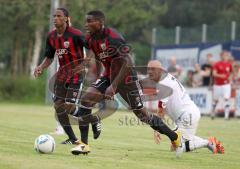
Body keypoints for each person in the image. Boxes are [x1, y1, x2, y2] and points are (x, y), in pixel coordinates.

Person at [70, 10, 182, 155]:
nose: (86, 24)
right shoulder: (91, 39)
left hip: (127, 78)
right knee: (86, 100)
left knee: (142, 115)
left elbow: (128, 61)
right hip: (109, 76)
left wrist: (114, 86)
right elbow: (97, 58)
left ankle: (175, 136)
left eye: (90, 21)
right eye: (86, 21)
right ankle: (84, 144)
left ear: (100, 23)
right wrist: (97, 77)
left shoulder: (113, 37)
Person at [34, 8, 101, 144]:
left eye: (59, 16)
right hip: (62, 75)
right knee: (58, 108)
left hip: (76, 75)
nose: (55, 18)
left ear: (66, 19)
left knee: (68, 107)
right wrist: (40, 67)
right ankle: (72, 138)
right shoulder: (51, 37)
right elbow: (49, 57)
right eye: (54, 16)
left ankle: (93, 120)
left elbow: (92, 47)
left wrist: (84, 64)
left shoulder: (75, 34)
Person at [147, 60, 224, 157]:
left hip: (187, 115)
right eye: (148, 69)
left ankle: (208, 143)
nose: (149, 72)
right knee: (175, 144)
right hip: (184, 115)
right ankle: (208, 143)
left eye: (153, 69)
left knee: (178, 147)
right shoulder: (164, 79)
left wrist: (156, 129)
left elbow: (161, 110)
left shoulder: (164, 84)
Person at [211, 51, 233, 120]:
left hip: (226, 85)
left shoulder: (229, 64)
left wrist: (230, 78)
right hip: (217, 85)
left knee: (226, 99)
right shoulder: (217, 64)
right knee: (215, 100)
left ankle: (226, 116)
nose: (226, 57)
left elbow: (231, 72)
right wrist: (221, 76)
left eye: (227, 55)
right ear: (221, 56)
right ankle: (213, 113)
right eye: (224, 55)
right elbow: (214, 74)